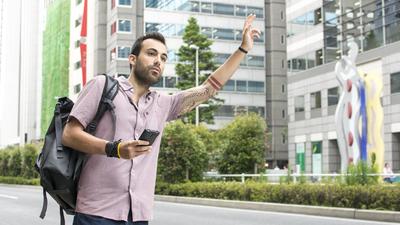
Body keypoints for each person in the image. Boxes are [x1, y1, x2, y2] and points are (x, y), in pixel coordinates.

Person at [62, 14, 260, 225]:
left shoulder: (163, 104)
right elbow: (69, 135)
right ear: (132, 59)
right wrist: (115, 149)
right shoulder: (102, 86)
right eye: (151, 53)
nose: (158, 60)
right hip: (97, 213)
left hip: (138, 216)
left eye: (164, 57)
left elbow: (208, 89)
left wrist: (243, 49)